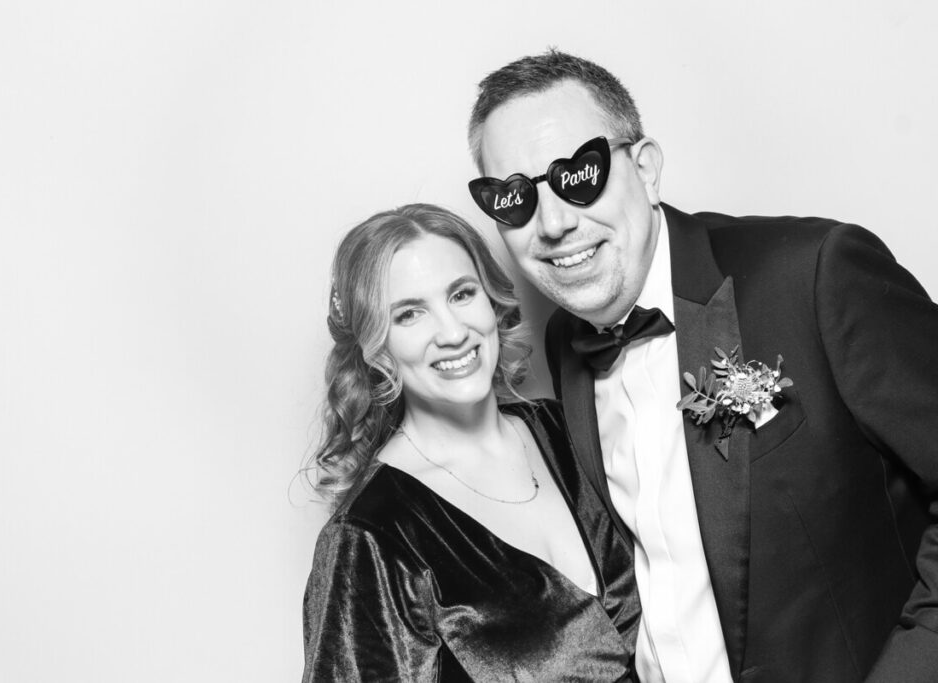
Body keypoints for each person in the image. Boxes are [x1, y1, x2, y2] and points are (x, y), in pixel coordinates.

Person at [465, 50, 938, 683]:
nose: (553, 223)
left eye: (579, 175)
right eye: (515, 199)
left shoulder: (815, 274)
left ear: (647, 169)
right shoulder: (565, 346)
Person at [302, 203, 641, 681]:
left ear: (491, 299)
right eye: (409, 315)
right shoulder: (370, 534)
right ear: (376, 346)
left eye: (461, 294)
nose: (453, 332)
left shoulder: (570, 426)